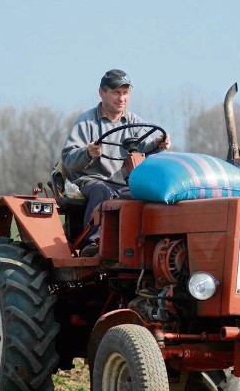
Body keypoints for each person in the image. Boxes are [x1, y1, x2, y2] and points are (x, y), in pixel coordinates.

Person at [61, 69, 171, 256]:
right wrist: (87, 153)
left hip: (123, 183)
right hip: (90, 180)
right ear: (102, 93)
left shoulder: (135, 122)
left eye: (125, 93)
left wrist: (159, 144)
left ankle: (146, 244)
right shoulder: (85, 122)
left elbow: (144, 148)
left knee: (147, 194)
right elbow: (68, 160)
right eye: (116, 93)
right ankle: (95, 242)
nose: (122, 98)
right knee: (102, 190)